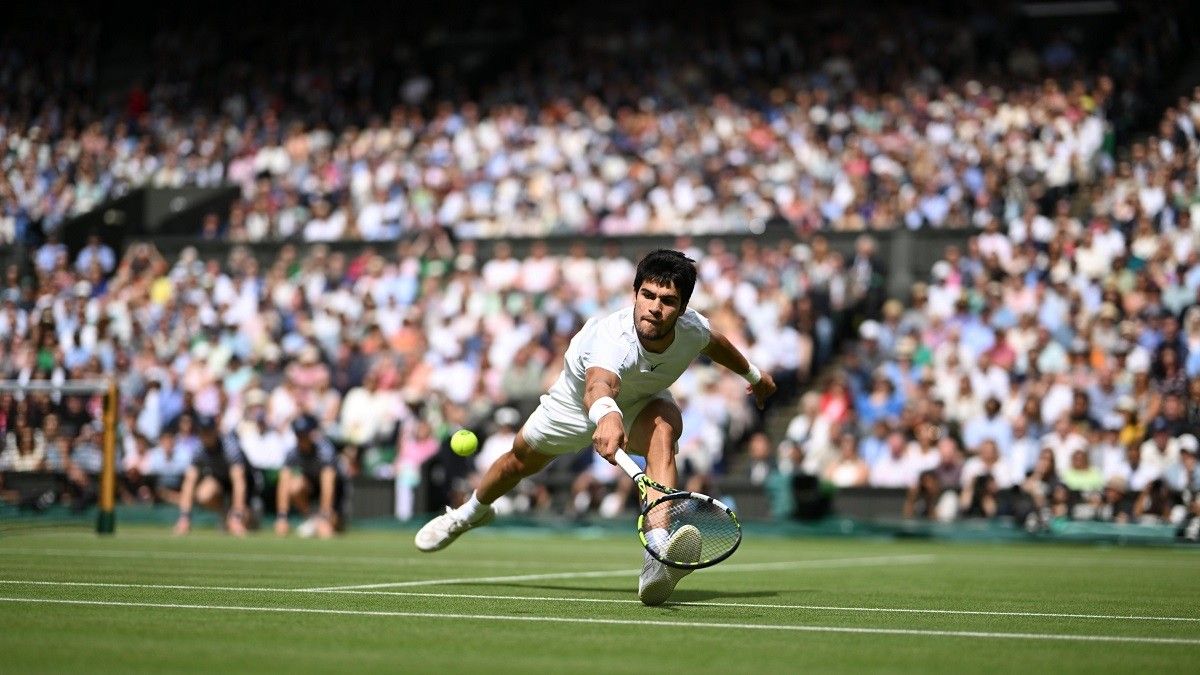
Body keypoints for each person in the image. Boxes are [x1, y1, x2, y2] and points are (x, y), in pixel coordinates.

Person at [413, 250, 777, 606]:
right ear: (635, 294)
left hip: (640, 403)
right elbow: (598, 386)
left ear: (682, 309)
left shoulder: (692, 329)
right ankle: (469, 513)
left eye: (667, 300)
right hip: (574, 405)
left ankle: (658, 549)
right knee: (517, 462)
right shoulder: (611, 339)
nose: (654, 307)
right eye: (647, 295)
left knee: (664, 428)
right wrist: (606, 416)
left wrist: (754, 376)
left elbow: (717, 344)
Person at [173, 415, 251, 536]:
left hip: (247, 490)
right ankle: (225, 513)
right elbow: (189, 480)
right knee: (204, 494)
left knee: (248, 523)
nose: (205, 435)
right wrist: (185, 517)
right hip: (220, 484)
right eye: (202, 432)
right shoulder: (199, 449)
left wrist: (237, 517)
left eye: (208, 431)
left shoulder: (230, 447)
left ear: (215, 430)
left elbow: (239, 482)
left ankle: (239, 515)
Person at [275, 414, 345, 538]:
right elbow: (284, 482)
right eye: (298, 434)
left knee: (328, 531)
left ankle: (323, 519)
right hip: (312, 494)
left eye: (304, 434)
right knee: (294, 485)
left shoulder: (325, 451)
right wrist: (282, 517)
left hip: (335, 496)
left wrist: (325, 517)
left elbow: (328, 484)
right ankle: (312, 519)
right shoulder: (293, 453)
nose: (301, 438)